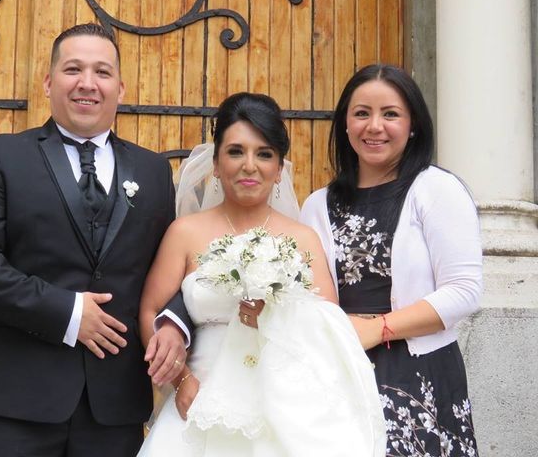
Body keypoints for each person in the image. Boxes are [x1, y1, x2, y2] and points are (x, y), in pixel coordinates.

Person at [0, 23, 190, 457]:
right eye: (73, 69)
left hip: (113, 410)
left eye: (102, 72)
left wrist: (173, 322)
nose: (87, 84)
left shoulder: (154, 172)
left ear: (121, 87)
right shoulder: (2, 155)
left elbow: (169, 272)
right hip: (14, 407)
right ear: (48, 82)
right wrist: (68, 310)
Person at [137, 92, 386, 456]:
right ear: (216, 163)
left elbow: (328, 328)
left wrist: (272, 316)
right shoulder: (185, 233)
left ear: (279, 168)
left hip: (282, 403)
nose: (249, 166)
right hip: (199, 394)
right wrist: (180, 379)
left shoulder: (302, 238)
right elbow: (150, 310)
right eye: (235, 151)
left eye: (264, 153)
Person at [299, 64, 482, 455]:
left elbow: (464, 291)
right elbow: (309, 295)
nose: (374, 126)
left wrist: (379, 328)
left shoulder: (436, 189)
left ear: (413, 124)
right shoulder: (318, 204)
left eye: (391, 114)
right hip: (341, 370)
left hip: (421, 369)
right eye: (361, 113)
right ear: (345, 124)